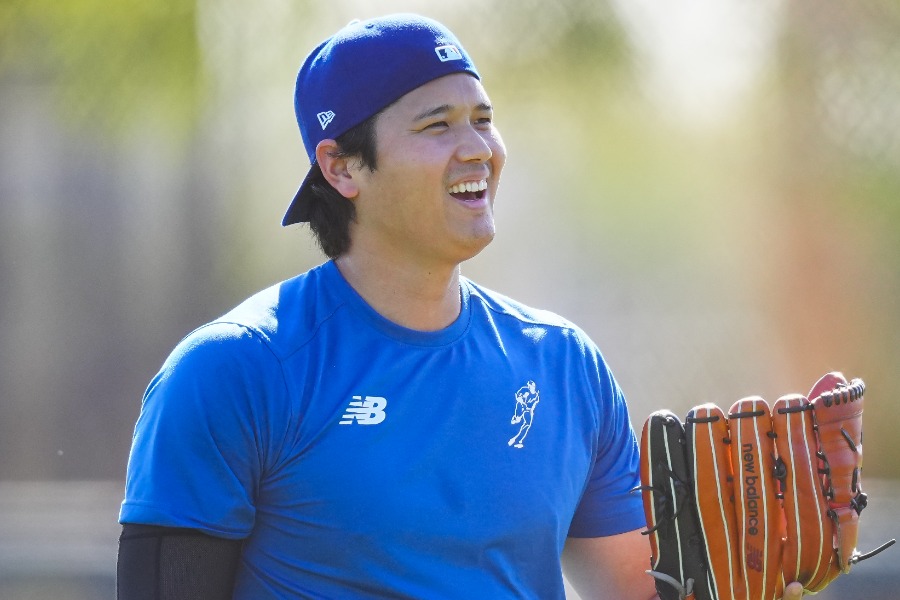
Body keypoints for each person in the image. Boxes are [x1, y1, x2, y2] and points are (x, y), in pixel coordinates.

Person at [117, 13, 806, 600]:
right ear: (342, 167)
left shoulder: (564, 363)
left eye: (483, 119)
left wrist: (745, 578)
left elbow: (632, 586)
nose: (478, 149)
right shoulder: (235, 370)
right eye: (438, 125)